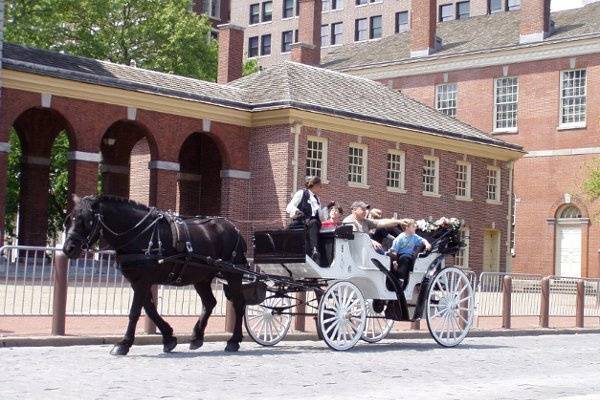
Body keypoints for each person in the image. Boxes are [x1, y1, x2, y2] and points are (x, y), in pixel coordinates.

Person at [286, 176, 328, 263]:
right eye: (320, 186)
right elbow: (290, 206)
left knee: (314, 222)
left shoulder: (317, 199)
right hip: (302, 223)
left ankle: (315, 250)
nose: (321, 188)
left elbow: (320, 216)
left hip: (313, 226)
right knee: (313, 222)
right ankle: (314, 250)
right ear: (315, 185)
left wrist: (328, 207)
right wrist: (297, 212)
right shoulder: (301, 193)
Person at [389, 219, 432, 290]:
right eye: (413, 226)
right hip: (399, 256)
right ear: (407, 228)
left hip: (409, 256)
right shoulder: (400, 238)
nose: (415, 228)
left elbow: (423, 240)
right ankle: (400, 279)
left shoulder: (414, 237)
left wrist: (427, 244)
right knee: (404, 258)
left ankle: (403, 281)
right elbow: (394, 251)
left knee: (407, 258)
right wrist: (394, 262)